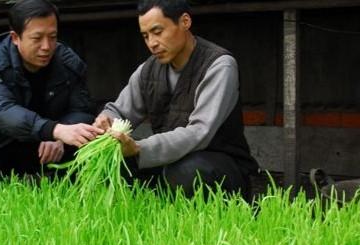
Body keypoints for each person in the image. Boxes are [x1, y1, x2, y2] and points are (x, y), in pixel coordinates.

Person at [94, 0, 259, 200]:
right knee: (113, 160)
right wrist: (106, 119)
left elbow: (199, 132)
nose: (152, 43)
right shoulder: (148, 70)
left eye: (158, 31)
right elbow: (119, 110)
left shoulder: (219, 65)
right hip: (171, 163)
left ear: (185, 21)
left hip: (220, 166)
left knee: (185, 172)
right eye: (146, 36)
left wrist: (139, 148)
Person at [0, 0, 103, 180]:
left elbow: (83, 109)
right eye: (37, 38)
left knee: (97, 154)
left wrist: (60, 137)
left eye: (53, 36)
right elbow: (1, 112)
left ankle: (52, 184)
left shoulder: (67, 62)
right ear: (15, 38)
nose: (46, 46)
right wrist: (54, 130)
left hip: (51, 144)